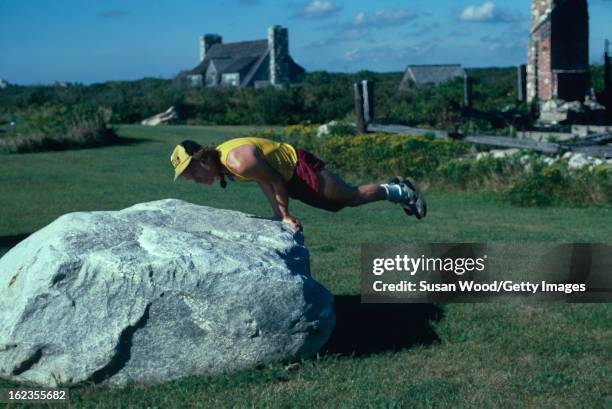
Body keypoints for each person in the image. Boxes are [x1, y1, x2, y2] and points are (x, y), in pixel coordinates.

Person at [170, 137, 426, 231]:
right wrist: (278, 214)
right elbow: (265, 181)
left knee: (350, 197)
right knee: (336, 206)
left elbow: (274, 179)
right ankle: (395, 188)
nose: (194, 179)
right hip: (289, 178)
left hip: (298, 168)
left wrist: (284, 215)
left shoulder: (237, 162)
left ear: (202, 159)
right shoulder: (226, 166)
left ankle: (401, 190)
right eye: (188, 177)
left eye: (192, 172)